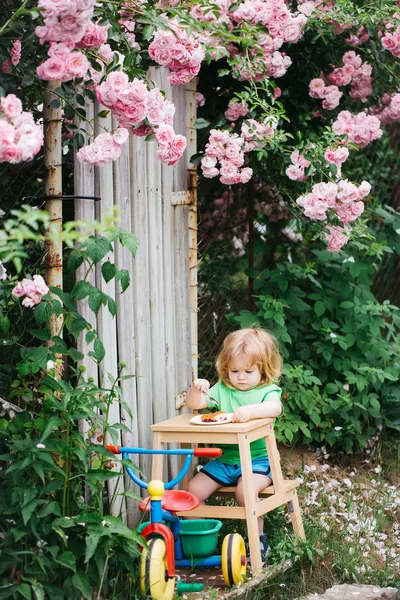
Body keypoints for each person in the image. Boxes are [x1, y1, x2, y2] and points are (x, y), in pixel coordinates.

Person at [185, 327, 283, 562]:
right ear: (226, 369)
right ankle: (199, 541)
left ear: (264, 369)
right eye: (234, 370)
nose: (241, 377)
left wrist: (250, 411)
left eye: (249, 371)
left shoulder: (266, 391)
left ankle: (257, 540)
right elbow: (195, 405)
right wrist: (197, 389)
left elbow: (275, 408)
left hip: (258, 461)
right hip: (226, 460)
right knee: (192, 491)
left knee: (244, 491)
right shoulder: (222, 389)